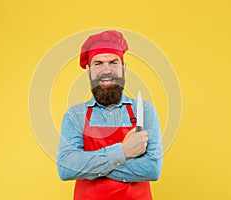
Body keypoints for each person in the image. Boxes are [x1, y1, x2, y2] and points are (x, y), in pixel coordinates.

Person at [57, 30, 163, 200]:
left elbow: (152, 168)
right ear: (88, 70)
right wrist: (124, 151)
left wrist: (90, 166)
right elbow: (67, 168)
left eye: (113, 62)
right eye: (98, 63)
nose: (106, 70)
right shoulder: (75, 116)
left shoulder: (145, 111)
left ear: (123, 68)